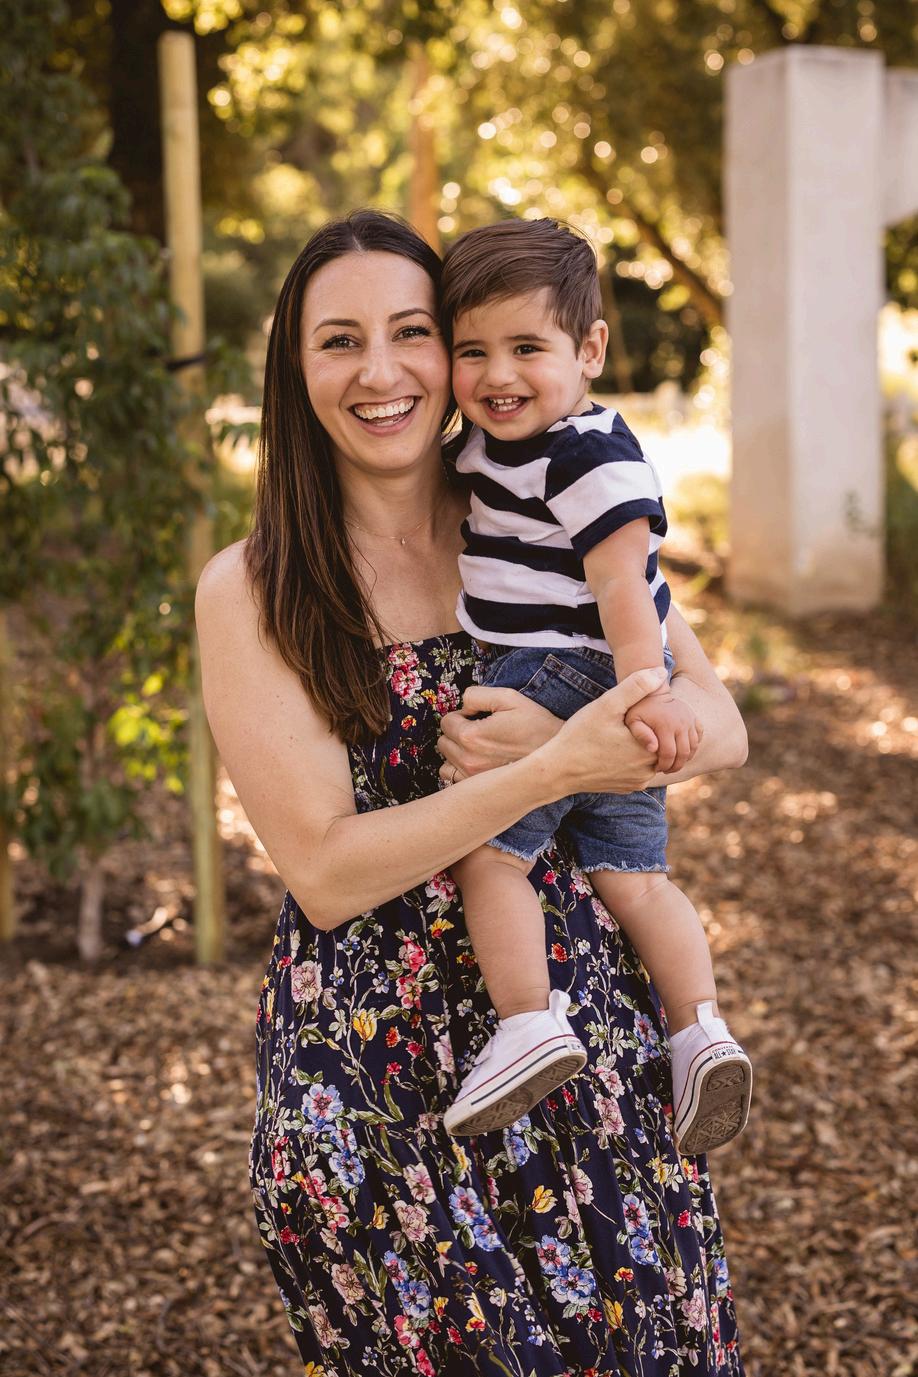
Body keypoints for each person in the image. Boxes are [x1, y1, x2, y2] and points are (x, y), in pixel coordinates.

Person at [195, 209, 748, 1376]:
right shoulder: (252, 589)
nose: (381, 371)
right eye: (339, 341)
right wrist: (556, 767)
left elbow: (723, 725)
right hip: (376, 1085)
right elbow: (326, 873)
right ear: (295, 370)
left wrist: (613, 742)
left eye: (412, 332)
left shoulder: (540, 507)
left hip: (584, 1045)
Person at [438, 219, 752, 1155]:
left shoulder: (587, 454)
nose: (498, 374)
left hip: (560, 669)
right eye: (472, 351)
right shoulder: (508, 443)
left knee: (490, 857)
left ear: (590, 350)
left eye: (526, 348)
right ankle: (699, 1032)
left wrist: (645, 691)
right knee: (635, 879)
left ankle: (526, 1022)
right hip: (600, 676)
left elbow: (624, 584)